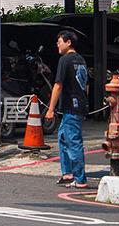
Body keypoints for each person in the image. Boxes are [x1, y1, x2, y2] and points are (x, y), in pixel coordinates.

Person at [46, 30, 89, 189]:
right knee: (63, 137)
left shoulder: (65, 60)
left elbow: (58, 85)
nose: (57, 44)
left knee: (73, 141)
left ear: (68, 42)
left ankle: (80, 178)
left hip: (71, 107)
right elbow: (86, 85)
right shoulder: (81, 60)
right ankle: (68, 174)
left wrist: (51, 109)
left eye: (60, 41)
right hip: (78, 105)